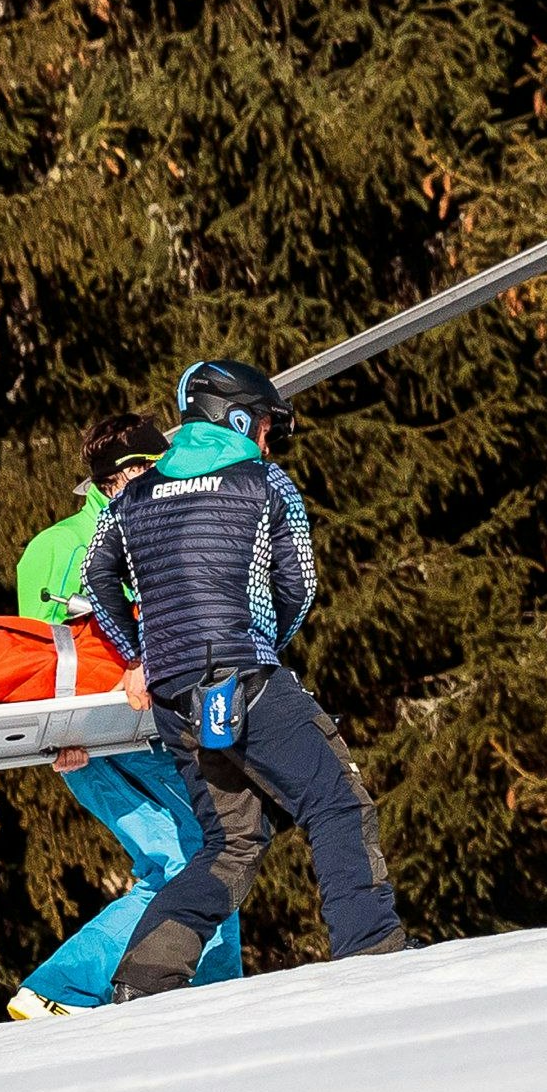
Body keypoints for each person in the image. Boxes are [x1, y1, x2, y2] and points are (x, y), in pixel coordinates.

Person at [85, 361, 404, 998]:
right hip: (246, 676)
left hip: (176, 696)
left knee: (229, 843)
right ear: (237, 418)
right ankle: (373, 949)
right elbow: (301, 584)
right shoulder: (265, 480)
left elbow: (98, 578)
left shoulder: (133, 496)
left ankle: (144, 977)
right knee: (336, 801)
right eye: (265, 426)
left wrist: (141, 655)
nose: (267, 440)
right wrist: (266, 647)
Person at [4, 414, 242, 1018]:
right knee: (199, 858)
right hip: (98, 739)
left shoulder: (161, 528)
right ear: (109, 479)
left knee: (202, 857)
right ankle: (64, 987)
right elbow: (42, 657)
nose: (143, 482)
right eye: (131, 472)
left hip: (159, 728)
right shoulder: (57, 548)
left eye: (151, 469)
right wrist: (53, 733)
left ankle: (212, 995)